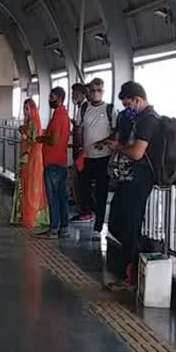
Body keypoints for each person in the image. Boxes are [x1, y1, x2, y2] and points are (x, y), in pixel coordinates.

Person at [106, 81, 158, 288]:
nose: (128, 109)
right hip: (129, 180)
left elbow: (137, 152)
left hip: (139, 181)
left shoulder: (147, 120)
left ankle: (132, 276)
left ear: (138, 99)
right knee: (119, 223)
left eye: (129, 105)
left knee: (130, 226)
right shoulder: (139, 119)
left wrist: (119, 147)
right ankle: (133, 267)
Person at [73, 78, 116, 238]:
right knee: (84, 188)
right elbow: (78, 129)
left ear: (103, 92)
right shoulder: (84, 108)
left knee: (101, 189)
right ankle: (90, 210)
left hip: (103, 157)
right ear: (89, 92)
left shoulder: (110, 110)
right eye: (93, 90)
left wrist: (105, 142)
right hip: (87, 156)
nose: (96, 93)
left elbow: (114, 131)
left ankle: (99, 221)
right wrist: (78, 150)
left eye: (99, 90)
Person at [36, 87, 71, 239]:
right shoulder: (63, 115)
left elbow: (54, 139)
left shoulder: (58, 117)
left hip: (53, 164)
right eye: (50, 96)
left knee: (53, 197)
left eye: (53, 97)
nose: (50, 99)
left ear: (60, 99)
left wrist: (41, 138)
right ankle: (63, 227)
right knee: (61, 196)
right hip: (61, 162)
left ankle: (54, 228)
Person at [11, 99, 50, 232]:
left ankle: (31, 215)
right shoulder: (29, 122)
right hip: (27, 157)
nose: (25, 111)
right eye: (24, 108)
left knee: (30, 185)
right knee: (25, 184)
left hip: (31, 158)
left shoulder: (33, 122)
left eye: (28, 108)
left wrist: (23, 134)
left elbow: (34, 141)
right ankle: (24, 213)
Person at [70, 82, 89, 217]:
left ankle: (85, 210)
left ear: (83, 94)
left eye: (76, 94)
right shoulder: (80, 108)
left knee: (83, 179)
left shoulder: (86, 108)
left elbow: (82, 128)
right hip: (78, 149)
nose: (73, 96)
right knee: (77, 178)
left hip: (83, 150)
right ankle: (80, 205)